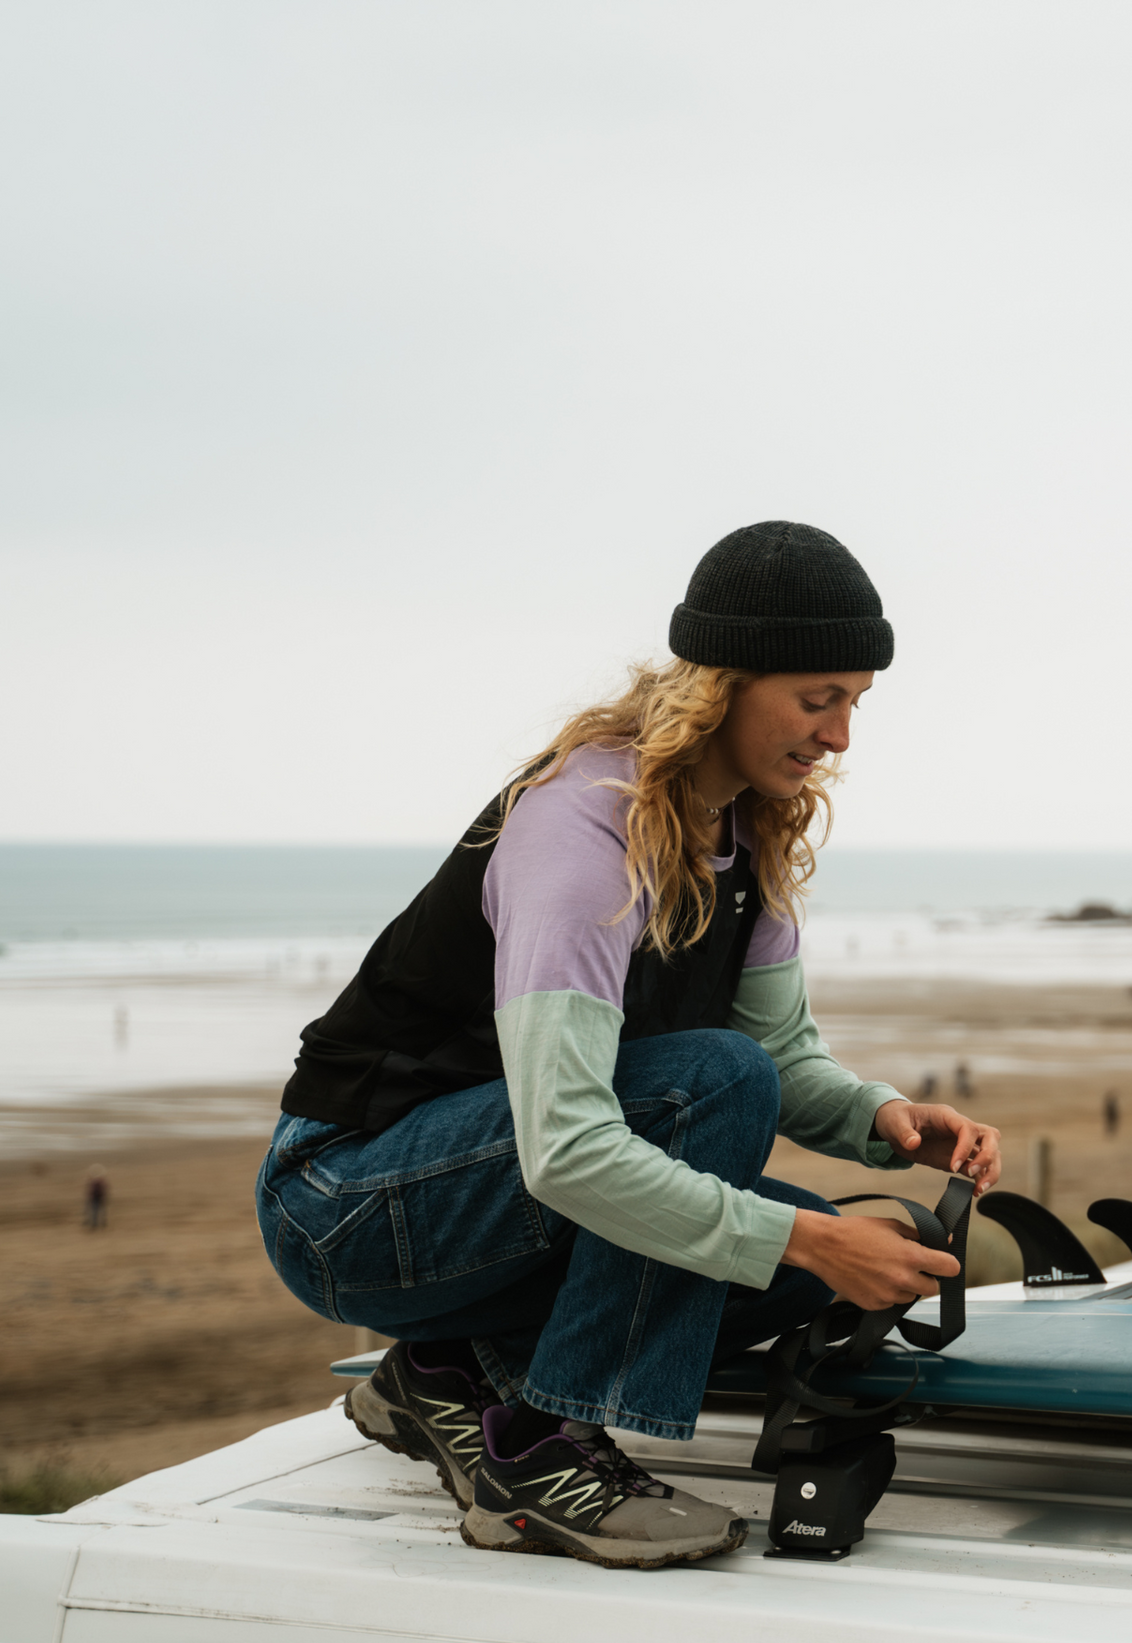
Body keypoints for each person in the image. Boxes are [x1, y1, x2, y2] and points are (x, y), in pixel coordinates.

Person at [255, 522, 1002, 1571]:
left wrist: (884, 1121)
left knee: (808, 1267)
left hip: (487, 1196)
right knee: (725, 1111)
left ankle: (443, 1371)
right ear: (725, 685)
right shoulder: (581, 829)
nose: (839, 737)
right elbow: (571, 1147)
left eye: (854, 704)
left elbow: (784, 1058)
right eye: (817, 698)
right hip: (343, 1206)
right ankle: (538, 1452)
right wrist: (803, 1236)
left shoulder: (746, 831)